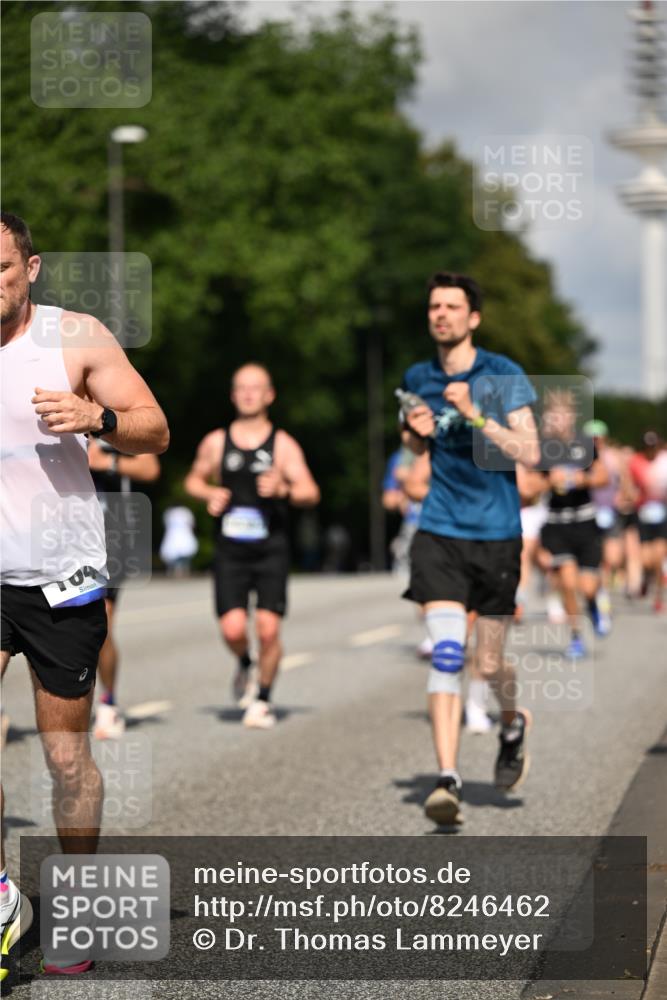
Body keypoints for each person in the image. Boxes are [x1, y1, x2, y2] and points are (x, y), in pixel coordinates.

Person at [0, 212, 168, 978]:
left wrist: (97, 419)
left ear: (29, 270)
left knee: (66, 760)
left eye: (0, 270)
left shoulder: (75, 338)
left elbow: (154, 428)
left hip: (61, 581)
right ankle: (3, 893)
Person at [401, 272, 539, 826]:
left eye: (453, 307)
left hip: (497, 534)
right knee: (448, 652)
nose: (441, 315)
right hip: (439, 531)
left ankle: (511, 722)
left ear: (472, 317)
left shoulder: (502, 373)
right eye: (434, 306)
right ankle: (447, 779)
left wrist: (479, 414)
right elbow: (416, 443)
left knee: (487, 660)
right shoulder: (418, 375)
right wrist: (414, 431)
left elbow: (530, 449)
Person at [184, 363, 320, 728]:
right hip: (230, 550)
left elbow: (310, 492)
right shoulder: (216, 441)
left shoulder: (283, 444)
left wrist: (284, 490)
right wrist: (209, 493)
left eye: (255, 388)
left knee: (268, 630)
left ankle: (262, 698)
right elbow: (193, 481)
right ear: (233, 395)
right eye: (241, 388)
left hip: (271, 548)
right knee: (232, 629)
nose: (247, 394)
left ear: (269, 395)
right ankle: (246, 662)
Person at [89, 439, 160, 739]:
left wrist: (107, 463)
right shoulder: (49, 414)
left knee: (100, 622)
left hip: (111, 537)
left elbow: (149, 466)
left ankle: (108, 703)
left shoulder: (112, 417)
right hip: (60, 535)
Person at [538, 393, 609, 657]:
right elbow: (529, 487)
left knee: (587, 586)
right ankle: (576, 636)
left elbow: (602, 476)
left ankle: (593, 605)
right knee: (567, 583)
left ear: (571, 418)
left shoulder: (584, 444)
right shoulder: (542, 448)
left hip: (584, 521)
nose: (558, 421)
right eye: (553, 416)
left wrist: (583, 480)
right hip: (557, 524)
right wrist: (548, 482)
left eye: (562, 416)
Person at [629, 431, 667, 613]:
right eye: (648, 446)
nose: (651, 450)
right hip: (643, 513)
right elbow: (631, 487)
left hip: (662, 513)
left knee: (660, 557)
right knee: (646, 560)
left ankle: (659, 596)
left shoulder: (664, 461)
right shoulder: (636, 462)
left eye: (654, 446)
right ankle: (646, 577)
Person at [160, 505, 199, 577]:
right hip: (181, 534)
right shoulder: (185, 511)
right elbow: (192, 524)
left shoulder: (170, 512)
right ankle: (182, 570)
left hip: (174, 535)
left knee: (176, 553)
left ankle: (177, 570)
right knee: (182, 553)